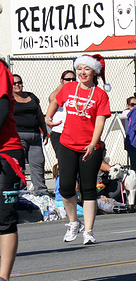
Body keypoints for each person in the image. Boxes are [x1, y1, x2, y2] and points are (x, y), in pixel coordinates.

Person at [45, 54, 111, 245]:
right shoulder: (69, 88)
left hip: (90, 146)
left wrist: (93, 143)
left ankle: (88, 232)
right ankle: (74, 223)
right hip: (67, 143)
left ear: (94, 72)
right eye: (79, 68)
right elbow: (54, 100)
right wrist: (48, 118)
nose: (82, 72)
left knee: (88, 189)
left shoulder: (100, 94)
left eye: (87, 69)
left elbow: (100, 121)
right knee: (66, 186)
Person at [0, 58, 26, 281]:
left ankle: (4, 280)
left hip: (4, 152)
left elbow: (2, 112)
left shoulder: (0, 70)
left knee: (4, 218)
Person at [12, 74, 49, 195]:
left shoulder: (31, 96)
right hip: (18, 135)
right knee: (19, 165)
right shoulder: (8, 98)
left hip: (35, 136)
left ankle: (41, 192)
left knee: (38, 163)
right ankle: (21, 192)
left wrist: (44, 131)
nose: (17, 85)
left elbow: (39, 114)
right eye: (14, 83)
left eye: (19, 82)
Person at [48, 70, 77, 156]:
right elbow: (52, 98)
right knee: (63, 158)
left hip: (73, 132)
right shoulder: (58, 93)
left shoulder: (76, 93)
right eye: (68, 79)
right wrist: (63, 86)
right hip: (59, 131)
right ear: (62, 80)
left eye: (73, 79)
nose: (71, 81)